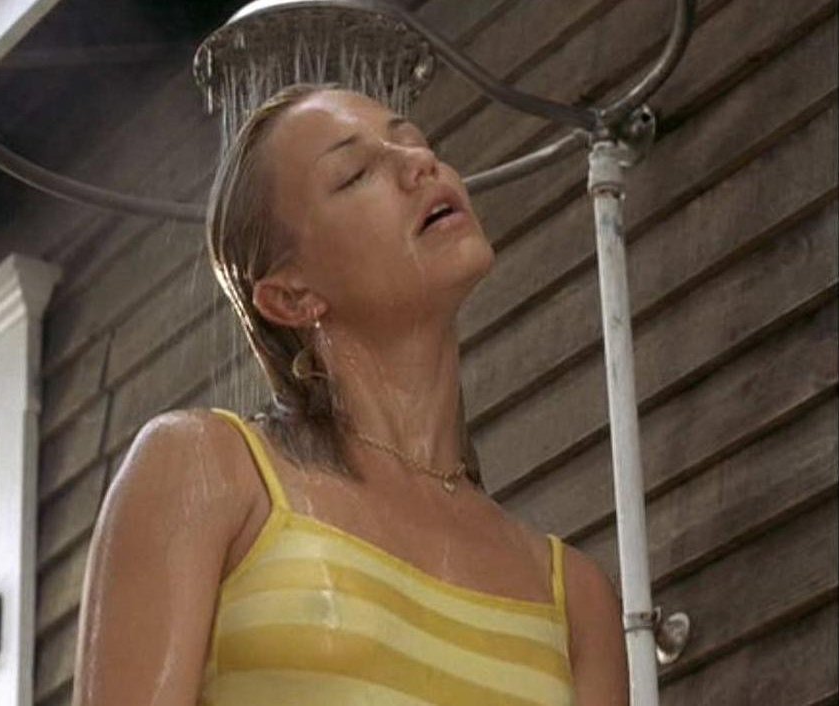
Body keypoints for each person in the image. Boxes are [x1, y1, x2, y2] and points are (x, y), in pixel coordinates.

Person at [71, 83, 628, 706]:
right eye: (355, 173)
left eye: (417, 142)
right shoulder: (201, 467)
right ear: (293, 296)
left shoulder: (576, 599)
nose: (421, 163)